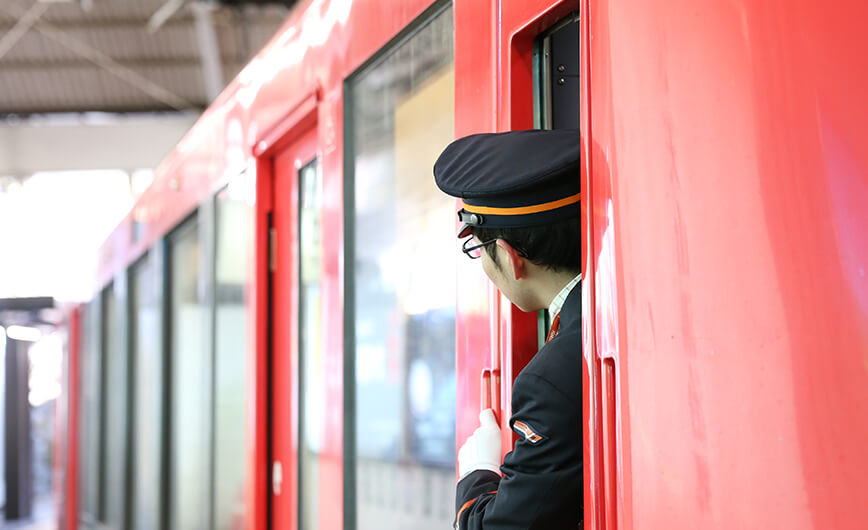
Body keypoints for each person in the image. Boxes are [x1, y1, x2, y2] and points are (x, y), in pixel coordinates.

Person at [433, 128, 582, 529]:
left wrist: (477, 474)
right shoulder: (598, 319)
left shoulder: (550, 378)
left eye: (480, 249)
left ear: (510, 257)